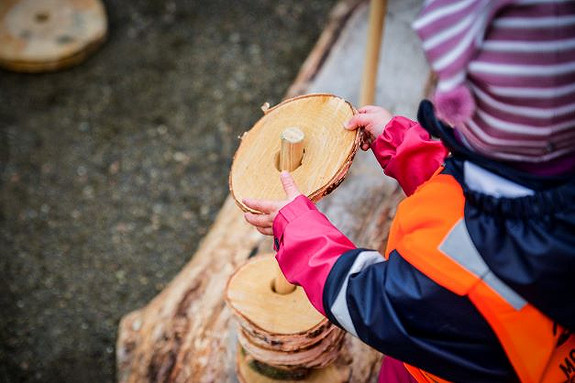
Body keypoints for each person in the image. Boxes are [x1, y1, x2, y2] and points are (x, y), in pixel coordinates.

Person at [243, 1, 575, 382]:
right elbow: (469, 199)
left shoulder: (465, 275)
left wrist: (300, 232)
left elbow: (371, 300)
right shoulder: (538, 181)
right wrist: (404, 147)